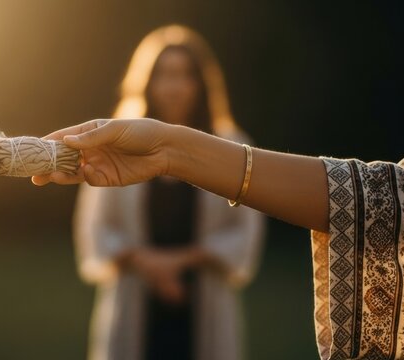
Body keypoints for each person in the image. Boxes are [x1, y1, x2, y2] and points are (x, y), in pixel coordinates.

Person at [33, 119, 404, 360]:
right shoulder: (124, 142)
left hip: (205, 295)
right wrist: (171, 151)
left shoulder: (229, 134)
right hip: (135, 297)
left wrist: (173, 153)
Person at [71, 25, 264, 360]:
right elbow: (96, 227)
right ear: (146, 82)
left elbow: (245, 232)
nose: (174, 87)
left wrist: (178, 262)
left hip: (203, 301)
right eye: (164, 75)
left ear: (201, 83)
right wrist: (146, 264)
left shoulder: (233, 146)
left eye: (184, 75)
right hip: (134, 298)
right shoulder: (117, 144)